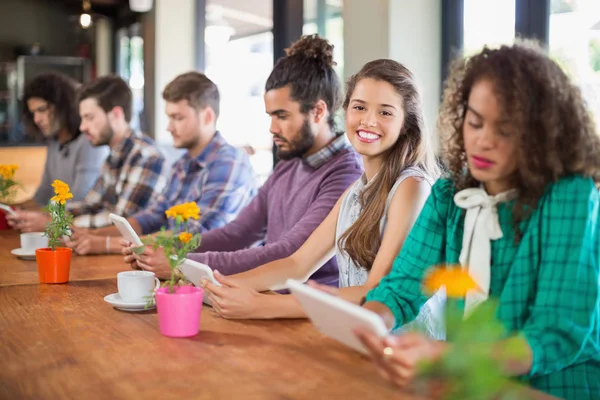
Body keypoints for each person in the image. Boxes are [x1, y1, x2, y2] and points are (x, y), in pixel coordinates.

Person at [356, 42, 600, 400]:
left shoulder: (570, 196)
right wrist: (368, 325)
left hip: (553, 388)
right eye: (475, 122)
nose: (483, 141)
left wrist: (451, 356)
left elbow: (555, 333)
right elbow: (401, 286)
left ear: (539, 133)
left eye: (505, 130)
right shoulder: (448, 192)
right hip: (468, 383)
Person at [200, 59, 444, 338]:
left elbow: (376, 290)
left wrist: (264, 304)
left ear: (406, 124)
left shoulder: (412, 185)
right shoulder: (356, 190)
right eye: (359, 107)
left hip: (406, 356)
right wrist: (215, 286)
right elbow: (298, 264)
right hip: (359, 340)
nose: (368, 120)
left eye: (385, 112)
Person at [121, 35, 363, 286]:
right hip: (266, 296)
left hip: (309, 313)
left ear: (318, 111)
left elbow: (287, 252)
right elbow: (238, 233)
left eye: (282, 116)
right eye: (270, 115)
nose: (272, 128)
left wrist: (181, 262)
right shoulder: (291, 162)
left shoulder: (345, 175)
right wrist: (157, 246)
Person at [76, 72, 258, 255]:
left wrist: (107, 244)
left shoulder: (230, 163)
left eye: (178, 118)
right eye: (169, 117)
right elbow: (153, 216)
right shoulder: (181, 165)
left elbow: (197, 236)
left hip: (223, 277)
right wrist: (93, 235)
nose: (169, 127)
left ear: (207, 117)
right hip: (181, 268)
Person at [9, 75, 167, 239]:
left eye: (89, 118)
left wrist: (54, 224)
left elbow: (123, 224)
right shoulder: (113, 156)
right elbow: (90, 204)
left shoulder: (146, 157)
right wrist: (50, 218)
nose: (82, 127)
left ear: (116, 114)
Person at [7, 72, 106, 229]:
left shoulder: (88, 142)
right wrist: (12, 209)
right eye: (33, 113)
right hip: (58, 226)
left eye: (42, 110)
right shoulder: (54, 143)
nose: (36, 119)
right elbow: (43, 194)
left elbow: (79, 200)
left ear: (63, 106)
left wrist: (41, 219)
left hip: (79, 229)